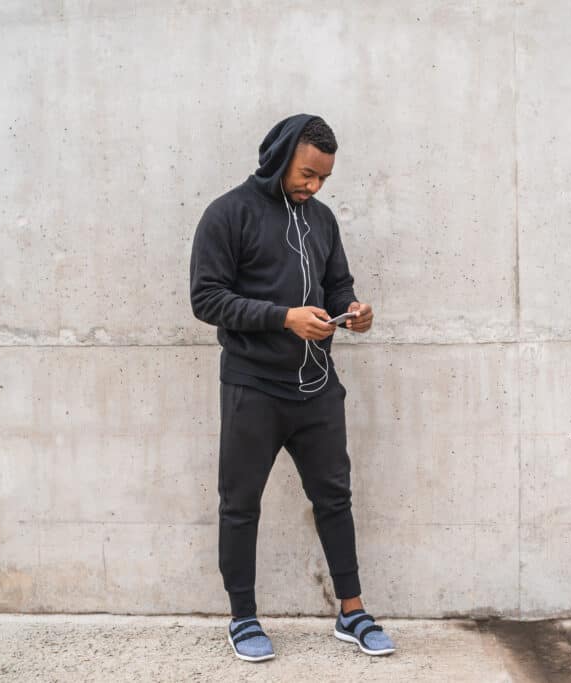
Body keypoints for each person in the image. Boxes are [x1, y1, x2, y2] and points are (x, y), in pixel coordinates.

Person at [189, 114, 396, 662]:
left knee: (335, 498)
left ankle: (351, 611)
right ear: (281, 158)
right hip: (252, 387)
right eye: (307, 174)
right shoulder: (227, 214)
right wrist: (283, 318)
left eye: (324, 178)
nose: (314, 187)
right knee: (240, 505)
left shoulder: (323, 219)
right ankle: (243, 618)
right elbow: (205, 299)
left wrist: (353, 309)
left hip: (318, 388)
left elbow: (338, 285)